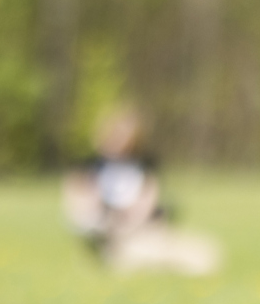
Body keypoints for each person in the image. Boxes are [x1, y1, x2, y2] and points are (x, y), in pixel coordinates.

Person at [61, 106, 222, 276]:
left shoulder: (143, 168)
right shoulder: (89, 168)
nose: (119, 142)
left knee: (200, 255)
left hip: (141, 229)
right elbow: (75, 202)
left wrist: (127, 224)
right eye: (115, 134)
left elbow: (147, 203)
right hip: (107, 232)